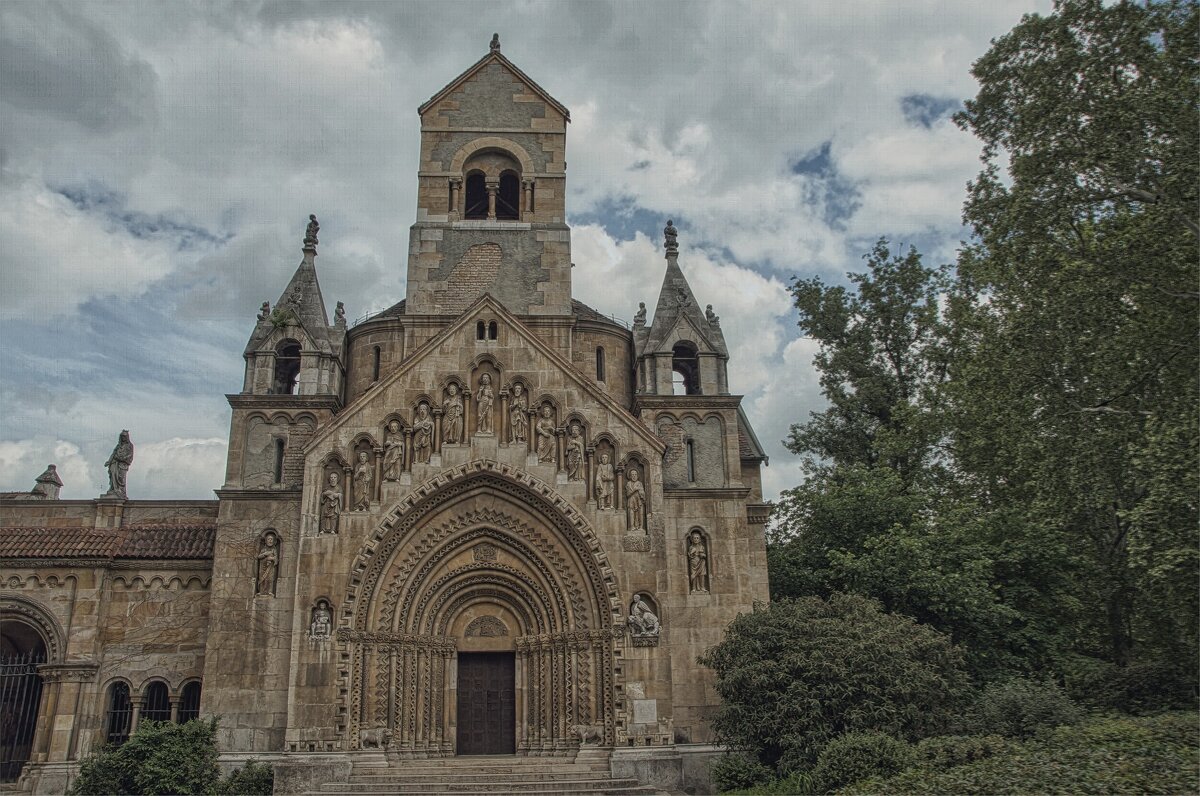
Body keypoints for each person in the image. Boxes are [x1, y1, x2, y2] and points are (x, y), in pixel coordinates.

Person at [103, 430, 134, 499]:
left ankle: (121, 491)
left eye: (124, 436)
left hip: (123, 464)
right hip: (114, 462)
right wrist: (109, 461)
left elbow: (130, 455)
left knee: (121, 478)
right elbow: (113, 454)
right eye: (122, 436)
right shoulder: (118, 445)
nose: (123, 438)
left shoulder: (130, 445)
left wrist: (121, 458)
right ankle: (114, 489)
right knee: (113, 474)